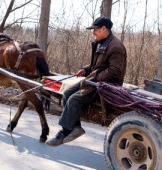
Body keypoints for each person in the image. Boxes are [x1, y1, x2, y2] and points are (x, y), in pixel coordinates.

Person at [46, 16, 127, 146]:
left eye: (95, 29)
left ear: (104, 29)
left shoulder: (115, 46)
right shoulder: (101, 42)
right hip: (94, 80)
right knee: (67, 93)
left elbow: (115, 71)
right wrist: (85, 69)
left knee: (74, 99)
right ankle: (76, 128)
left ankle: (64, 131)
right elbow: (96, 66)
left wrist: (95, 77)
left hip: (106, 85)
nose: (93, 32)